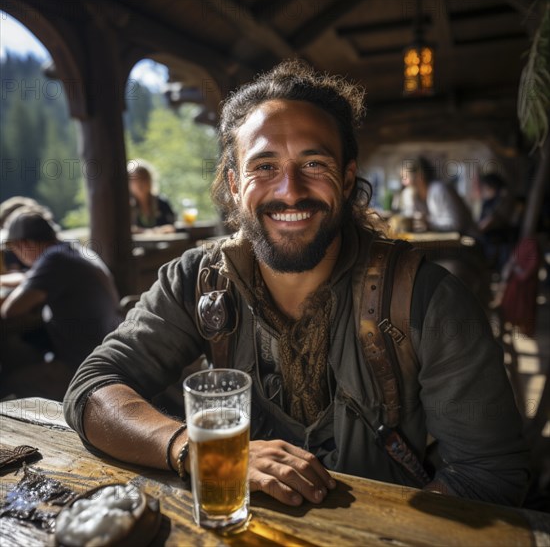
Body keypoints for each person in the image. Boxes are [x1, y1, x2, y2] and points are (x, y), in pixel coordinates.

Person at [63, 60, 529, 507]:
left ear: (347, 179)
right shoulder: (197, 281)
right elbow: (93, 387)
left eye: (314, 164)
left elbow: (489, 475)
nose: (289, 190)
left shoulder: (428, 300)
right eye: (263, 166)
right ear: (234, 182)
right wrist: (194, 448)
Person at [1, 208, 122, 400]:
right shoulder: (71, 250)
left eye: (13, 248)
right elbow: (32, 277)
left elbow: (10, 310)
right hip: (108, 353)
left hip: (84, 366)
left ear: (23, 244)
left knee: (11, 380)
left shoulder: (54, 259)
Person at [406, 157, 479, 237]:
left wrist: (428, 223)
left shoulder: (439, 190)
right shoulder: (418, 196)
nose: (403, 182)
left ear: (419, 176)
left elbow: (456, 224)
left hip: (470, 242)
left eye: (406, 177)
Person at [128, 160, 176, 233]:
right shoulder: (126, 205)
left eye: (143, 178)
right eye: (135, 179)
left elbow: (173, 225)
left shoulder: (162, 202)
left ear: (150, 180)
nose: (140, 183)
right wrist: (148, 232)